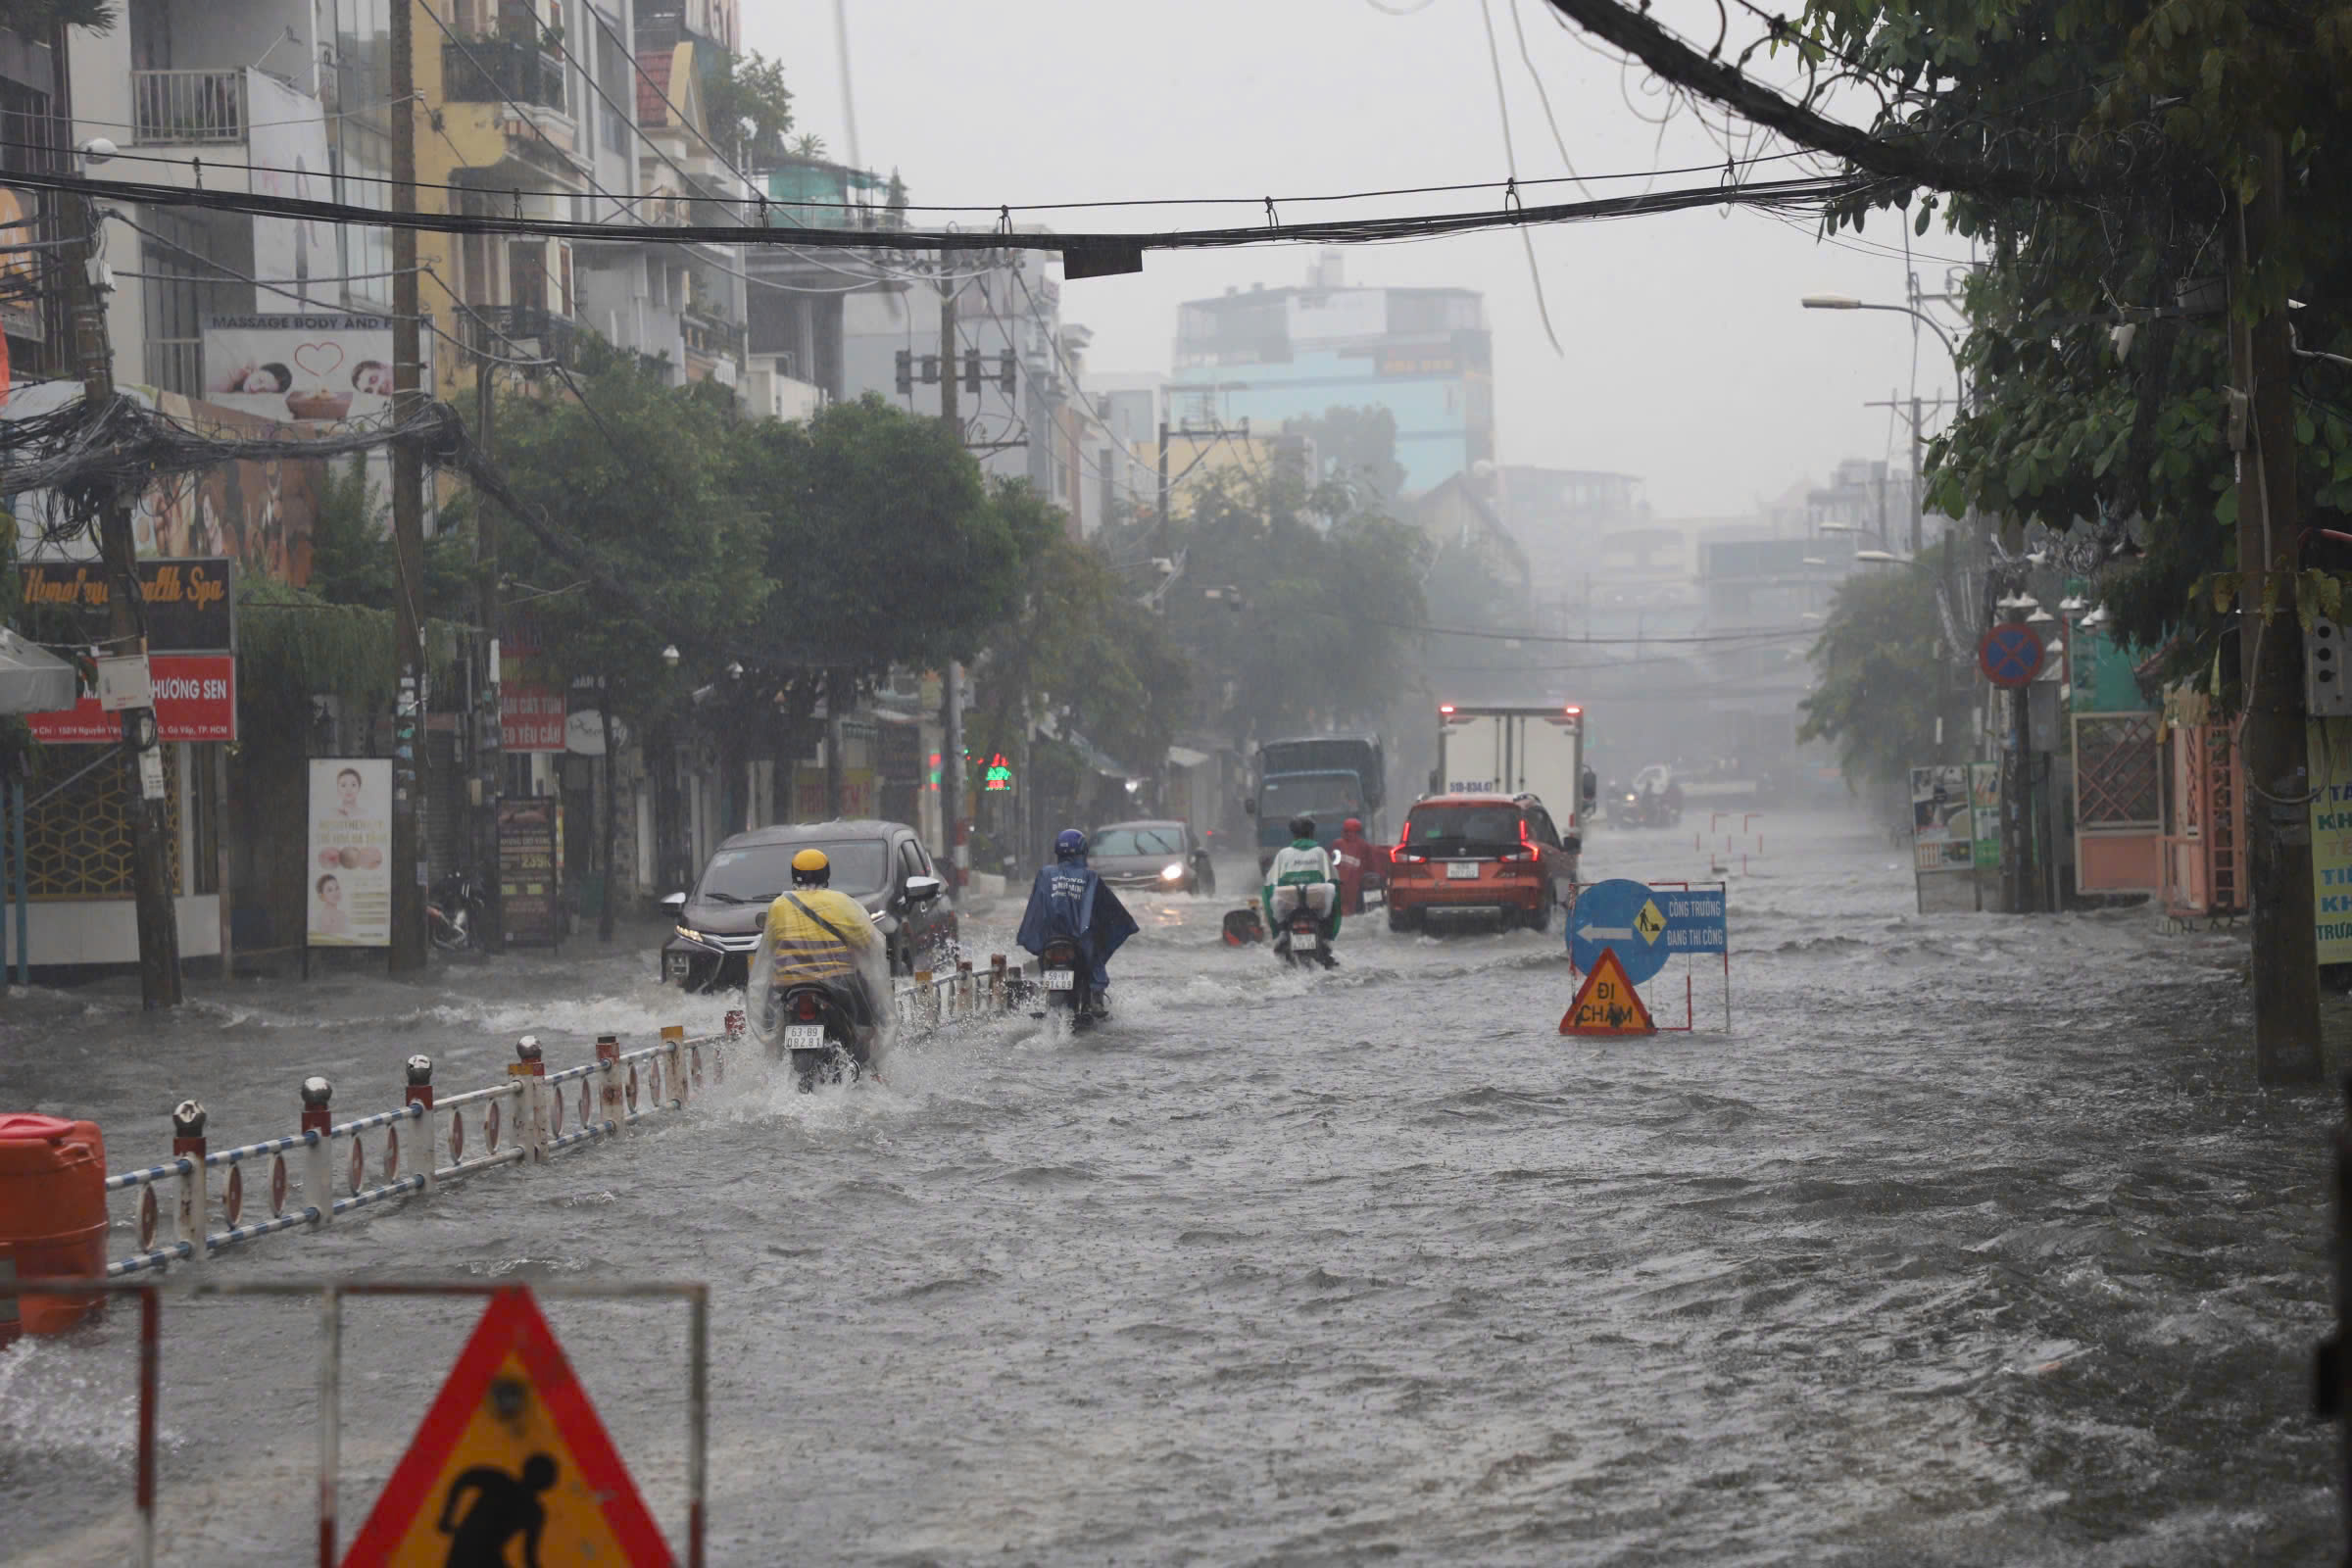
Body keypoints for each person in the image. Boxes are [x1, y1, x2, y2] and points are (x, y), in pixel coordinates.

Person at [752, 848, 887, 1044]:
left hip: (787, 986)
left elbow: (771, 946)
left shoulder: (779, 905)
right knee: (867, 1020)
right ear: (826, 874)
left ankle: (774, 1047)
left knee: (770, 1026)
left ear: (794, 875)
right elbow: (867, 940)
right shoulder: (842, 902)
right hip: (837, 983)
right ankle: (866, 1050)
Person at [1017, 828, 1138, 1012]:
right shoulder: (1090, 876)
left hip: (1051, 939)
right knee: (1094, 956)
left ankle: (1049, 999)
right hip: (1080, 940)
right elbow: (1108, 908)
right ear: (1083, 851)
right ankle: (1096, 996)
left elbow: (1035, 907)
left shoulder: (1045, 873)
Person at [1262, 814, 1340, 958]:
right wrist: (1330, 932)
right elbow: (1334, 882)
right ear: (1312, 833)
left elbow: (1269, 885)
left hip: (1288, 910)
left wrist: (1276, 928)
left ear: (1293, 833)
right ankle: (1325, 940)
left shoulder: (1283, 854)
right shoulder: (1320, 853)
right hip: (1317, 908)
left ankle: (1283, 936)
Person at [1331, 815, 1386, 915]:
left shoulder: (1364, 847)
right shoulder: (1338, 844)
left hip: (1353, 889)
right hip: (1344, 889)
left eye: (1350, 831)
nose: (1348, 834)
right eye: (1346, 831)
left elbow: (1374, 867)